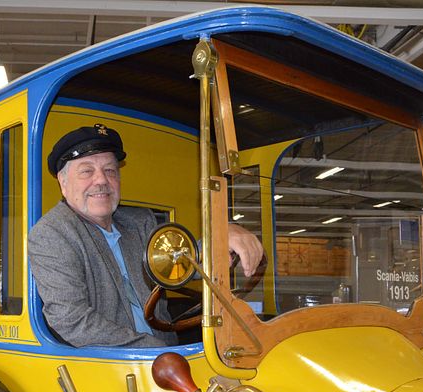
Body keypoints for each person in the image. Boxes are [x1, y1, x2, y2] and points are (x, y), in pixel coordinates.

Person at [28, 123, 263, 348]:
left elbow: (178, 261)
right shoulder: (52, 234)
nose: (101, 180)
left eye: (110, 170)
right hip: (111, 369)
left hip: (167, 356)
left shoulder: (139, 222)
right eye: (87, 171)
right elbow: (72, 320)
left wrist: (224, 237)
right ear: (63, 182)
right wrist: (157, 350)